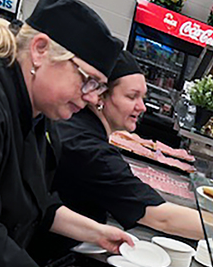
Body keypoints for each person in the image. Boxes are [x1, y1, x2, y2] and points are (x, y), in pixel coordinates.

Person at [0, 0, 134, 267]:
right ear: (40, 49)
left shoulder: (39, 114)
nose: (92, 98)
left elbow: (36, 202)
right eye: (88, 81)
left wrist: (96, 232)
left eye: (99, 88)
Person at [47, 50, 203, 255]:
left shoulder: (78, 126)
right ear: (99, 96)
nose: (142, 107)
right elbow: (161, 218)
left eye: (143, 97)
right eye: (132, 97)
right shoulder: (90, 150)